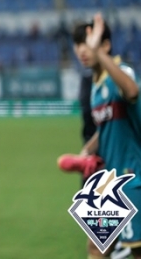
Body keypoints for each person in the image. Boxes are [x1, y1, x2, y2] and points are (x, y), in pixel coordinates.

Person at [72, 13, 141, 259]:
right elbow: (105, 129)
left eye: (89, 43)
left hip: (133, 176)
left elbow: (132, 91)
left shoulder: (122, 72)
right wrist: (87, 151)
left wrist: (100, 55)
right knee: (96, 246)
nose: (82, 50)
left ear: (106, 45)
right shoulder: (95, 86)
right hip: (110, 182)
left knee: (138, 250)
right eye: (78, 44)